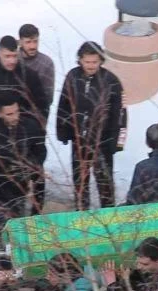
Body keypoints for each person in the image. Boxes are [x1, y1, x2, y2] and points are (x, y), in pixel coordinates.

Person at [57, 41, 125, 210]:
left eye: (95, 62)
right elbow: (64, 104)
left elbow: (121, 114)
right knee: (80, 183)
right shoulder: (72, 77)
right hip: (79, 141)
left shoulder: (111, 81)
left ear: (101, 60)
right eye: (87, 62)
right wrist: (62, 130)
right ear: (80, 60)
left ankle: (108, 214)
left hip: (103, 142)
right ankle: (82, 213)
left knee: (105, 184)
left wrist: (117, 142)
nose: (91, 66)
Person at [0, 93, 47, 220]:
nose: (15, 117)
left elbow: (40, 152)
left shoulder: (30, 126)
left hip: (21, 183)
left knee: (17, 222)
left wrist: (29, 168)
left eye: (17, 112)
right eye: (9, 114)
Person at [17, 24, 54, 109]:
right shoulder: (12, 60)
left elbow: (48, 97)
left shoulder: (46, 62)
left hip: (36, 111)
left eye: (35, 41)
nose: (32, 46)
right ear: (20, 42)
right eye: (28, 42)